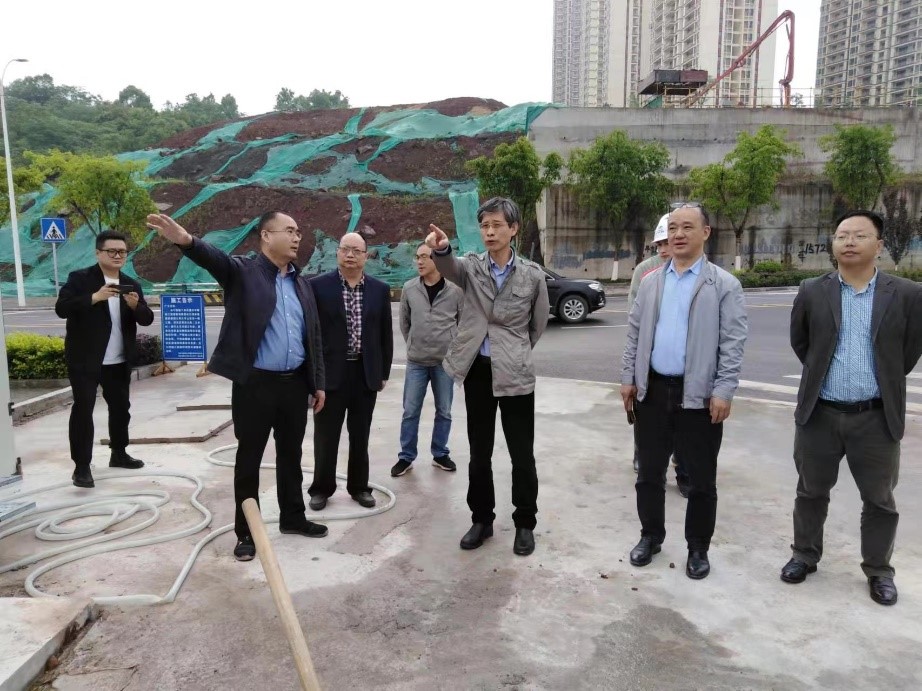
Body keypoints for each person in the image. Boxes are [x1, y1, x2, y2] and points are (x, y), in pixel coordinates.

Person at [145, 211, 328, 562]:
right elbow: (214, 259)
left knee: (291, 455)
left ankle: (293, 517)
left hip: (294, 384)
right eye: (289, 230)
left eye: (299, 231)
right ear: (266, 236)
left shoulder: (301, 284)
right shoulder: (244, 272)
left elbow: (314, 337)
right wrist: (186, 241)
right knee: (249, 459)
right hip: (255, 385)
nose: (297, 237)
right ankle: (247, 532)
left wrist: (317, 382)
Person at [780, 210, 922, 606]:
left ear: (879, 245)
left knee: (879, 500)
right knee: (810, 491)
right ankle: (804, 555)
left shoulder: (906, 294)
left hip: (876, 417)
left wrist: (881, 381)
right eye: (842, 235)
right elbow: (802, 344)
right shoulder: (812, 290)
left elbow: (909, 351)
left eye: (859, 235)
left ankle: (878, 570)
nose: (849, 242)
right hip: (820, 414)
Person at [621, 203, 747, 580]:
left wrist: (723, 390)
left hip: (699, 396)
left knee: (701, 479)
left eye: (687, 227)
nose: (678, 234)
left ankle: (698, 547)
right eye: (673, 227)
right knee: (649, 473)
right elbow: (634, 334)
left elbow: (733, 343)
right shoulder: (651, 282)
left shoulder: (723, 285)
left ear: (705, 233)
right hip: (653, 391)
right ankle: (651, 536)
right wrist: (629, 378)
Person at [426, 197, 550, 557]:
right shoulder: (471, 268)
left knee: (521, 454)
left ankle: (525, 523)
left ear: (513, 229)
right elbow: (448, 267)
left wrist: (514, 350)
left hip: (515, 374)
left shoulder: (532, 274)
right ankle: (481, 519)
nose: (490, 232)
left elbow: (537, 324)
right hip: (478, 372)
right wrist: (442, 248)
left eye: (497, 225)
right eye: (485, 226)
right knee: (479, 453)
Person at [55, 231, 155, 489]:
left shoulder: (131, 284)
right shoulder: (80, 279)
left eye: (122, 251)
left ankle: (118, 453)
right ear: (98, 253)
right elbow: (61, 308)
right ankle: (81, 467)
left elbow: (147, 318)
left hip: (118, 359)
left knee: (121, 408)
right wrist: (94, 298)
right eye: (112, 251)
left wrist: (135, 306)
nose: (118, 256)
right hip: (86, 360)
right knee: (83, 410)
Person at [308, 232, 393, 510]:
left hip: (364, 374)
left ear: (366, 256)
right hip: (330, 375)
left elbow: (385, 334)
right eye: (345, 249)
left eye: (357, 250)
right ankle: (321, 489)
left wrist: (383, 372)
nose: (350, 255)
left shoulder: (379, 290)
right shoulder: (318, 287)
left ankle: (359, 487)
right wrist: (313, 376)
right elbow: (311, 335)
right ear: (337, 253)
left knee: (360, 435)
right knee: (326, 436)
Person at [626, 213, 690, 497]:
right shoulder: (645, 272)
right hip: (650, 363)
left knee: (684, 423)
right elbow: (634, 316)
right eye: (660, 244)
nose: (664, 249)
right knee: (646, 417)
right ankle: (642, 456)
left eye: (667, 242)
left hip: (685, 368)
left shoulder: (698, 274)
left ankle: (683, 469)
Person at [392, 243, 463, 478]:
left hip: (444, 363)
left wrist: (452, 350)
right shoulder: (410, 288)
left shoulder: (455, 290)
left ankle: (440, 453)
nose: (419, 261)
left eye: (425, 256)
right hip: (417, 362)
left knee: (444, 411)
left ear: (437, 261)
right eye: (417, 257)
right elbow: (405, 323)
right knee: (410, 411)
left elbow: (462, 323)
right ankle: (406, 457)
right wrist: (414, 343)